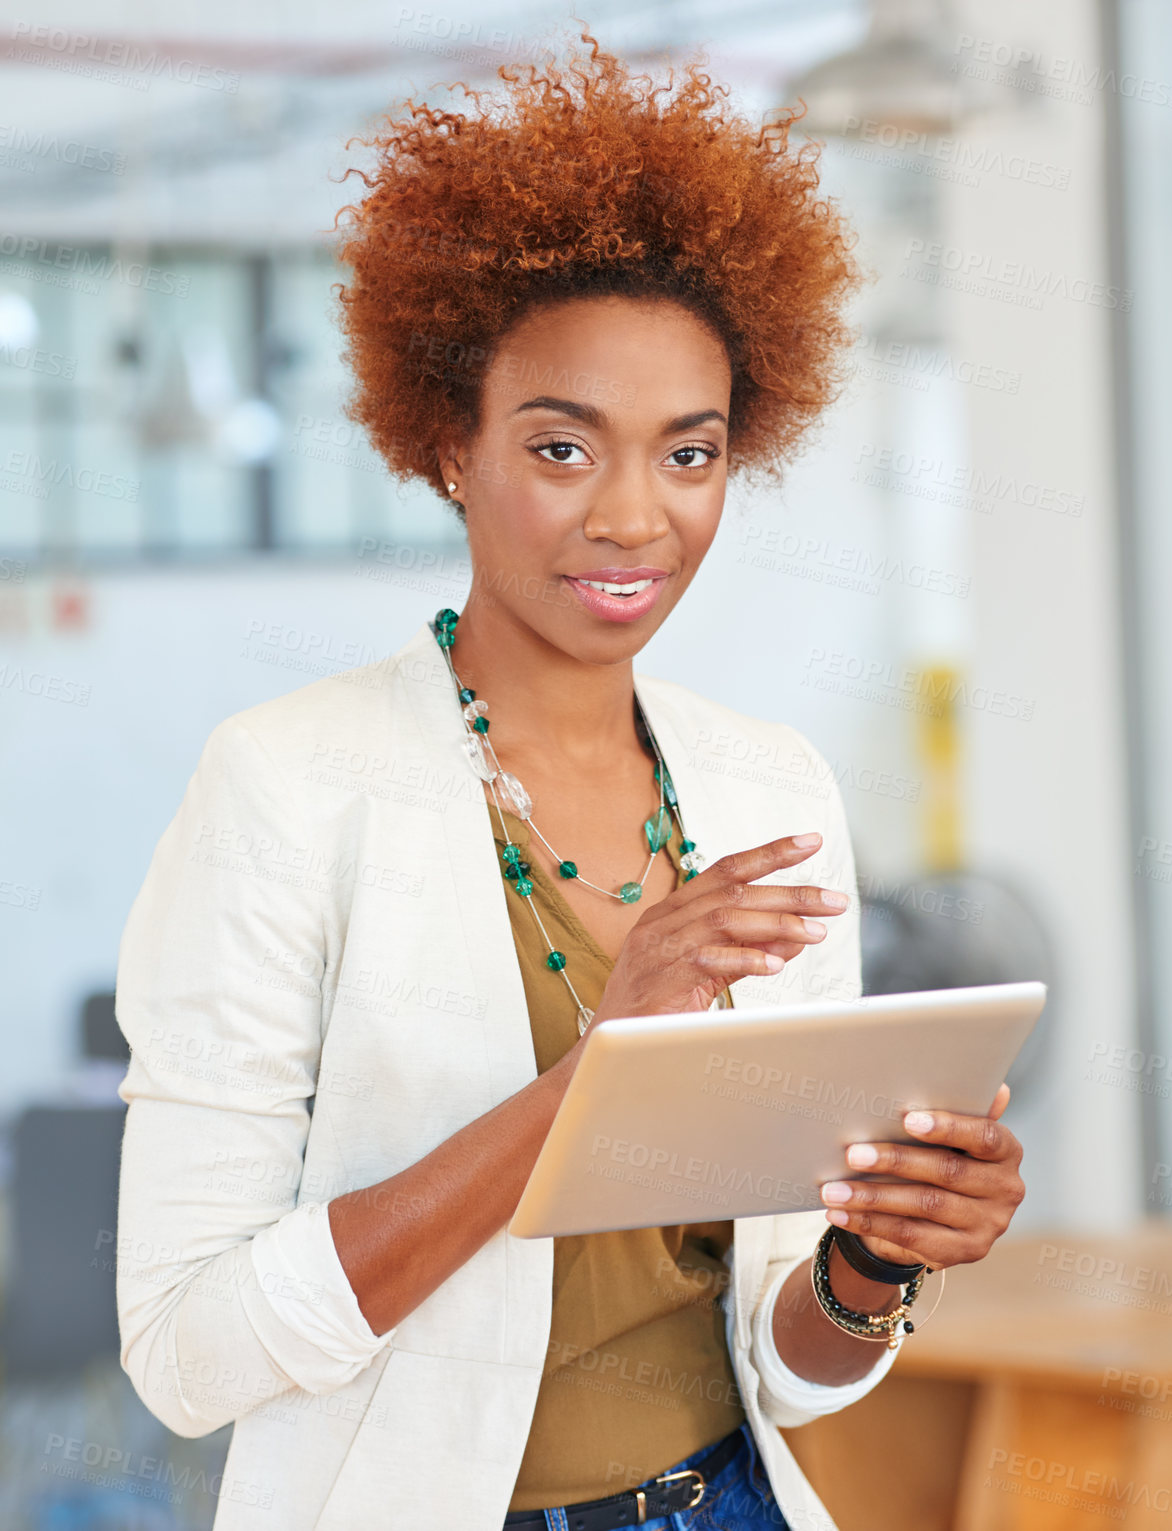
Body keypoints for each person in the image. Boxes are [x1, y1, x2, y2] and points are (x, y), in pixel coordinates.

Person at [114, 29, 1026, 1531]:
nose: (631, 517)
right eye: (559, 445)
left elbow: (782, 1360)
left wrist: (876, 1261)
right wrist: (593, 1072)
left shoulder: (762, 790)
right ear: (446, 448)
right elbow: (188, 1353)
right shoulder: (288, 786)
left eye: (689, 453)